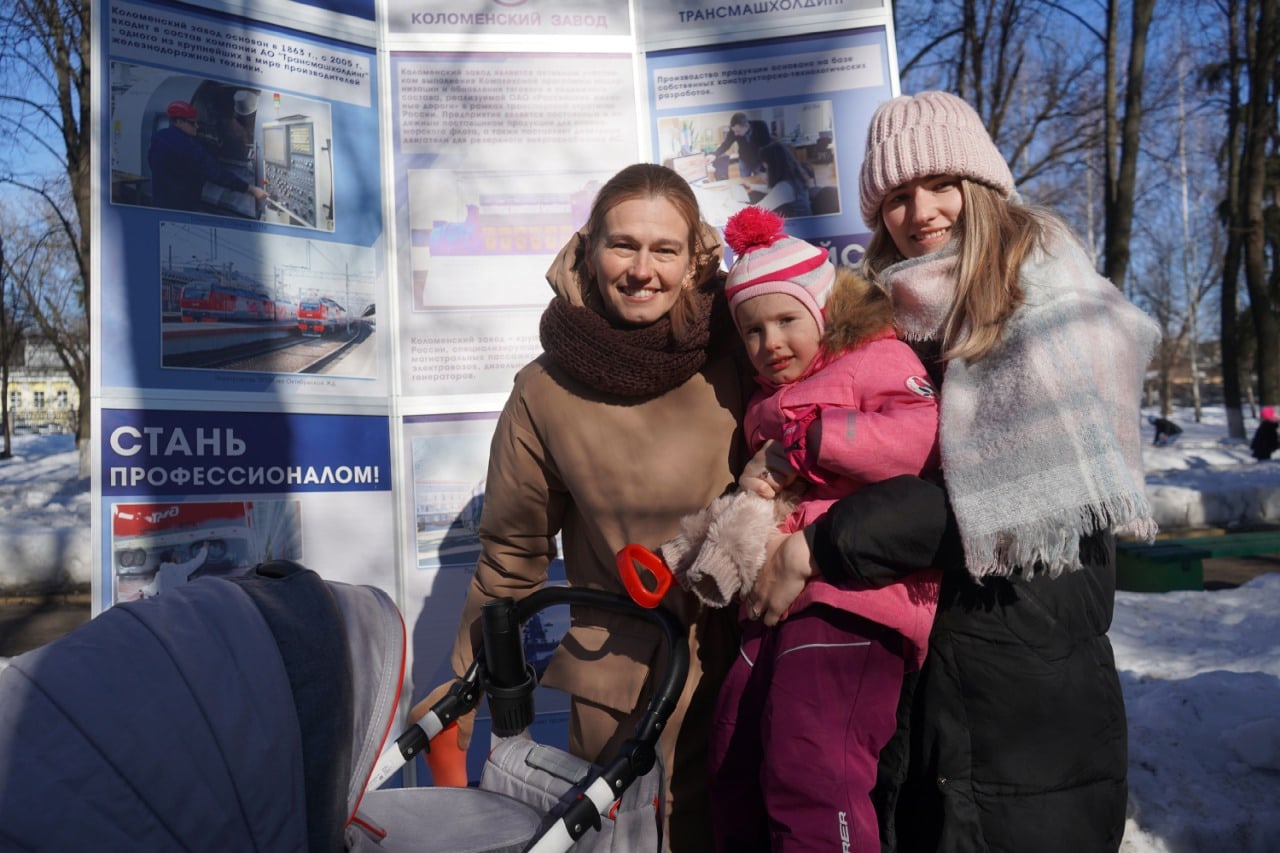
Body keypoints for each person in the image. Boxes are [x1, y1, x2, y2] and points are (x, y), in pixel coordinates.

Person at [743, 91, 1161, 853]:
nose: (921, 211)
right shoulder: (893, 318)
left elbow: (981, 497)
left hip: (1026, 698)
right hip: (928, 679)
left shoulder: (1054, 307)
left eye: (942, 184)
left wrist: (817, 545)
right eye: (897, 196)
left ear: (983, 185)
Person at [410, 163, 749, 850]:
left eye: (664, 249)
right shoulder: (544, 390)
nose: (642, 270)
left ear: (695, 260)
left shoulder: (747, 350)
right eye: (623, 245)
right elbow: (511, 559)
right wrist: (462, 699)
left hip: (748, 672)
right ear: (589, 249)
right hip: (622, 698)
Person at [659, 206, 941, 852]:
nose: (771, 342)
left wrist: (814, 440)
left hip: (854, 602)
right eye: (752, 330)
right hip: (775, 608)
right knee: (733, 750)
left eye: (787, 320)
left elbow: (919, 439)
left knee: (810, 761)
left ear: (822, 311)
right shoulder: (763, 400)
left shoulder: (875, 358)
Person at [147, 100, 268, 213]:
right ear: (178, 122)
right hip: (182, 207)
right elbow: (217, 174)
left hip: (160, 202)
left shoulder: (159, 137)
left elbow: (152, 163)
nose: (197, 127)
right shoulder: (188, 147)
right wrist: (250, 189)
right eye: (192, 123)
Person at [753, 141, 816, 219]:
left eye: (766, 168)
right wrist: (752, 187)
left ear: (773, 166)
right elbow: (774, 190)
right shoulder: (793, 177)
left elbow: (757, 210)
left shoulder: (785, 187)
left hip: (797, 224)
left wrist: (738, 205)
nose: (766, 171)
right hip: (803, 221)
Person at [709, 112, 773, 180]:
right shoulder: (734, 131)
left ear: (746, 126)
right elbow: (726, 144)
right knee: (744, 180)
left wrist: (763, 170)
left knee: (760, 180)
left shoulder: (761, 126)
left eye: (738, 131)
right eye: (734, 131)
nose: (735, 134)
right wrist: (715, 155)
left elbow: (767, 149)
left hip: (759, 160)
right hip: (744, 159)